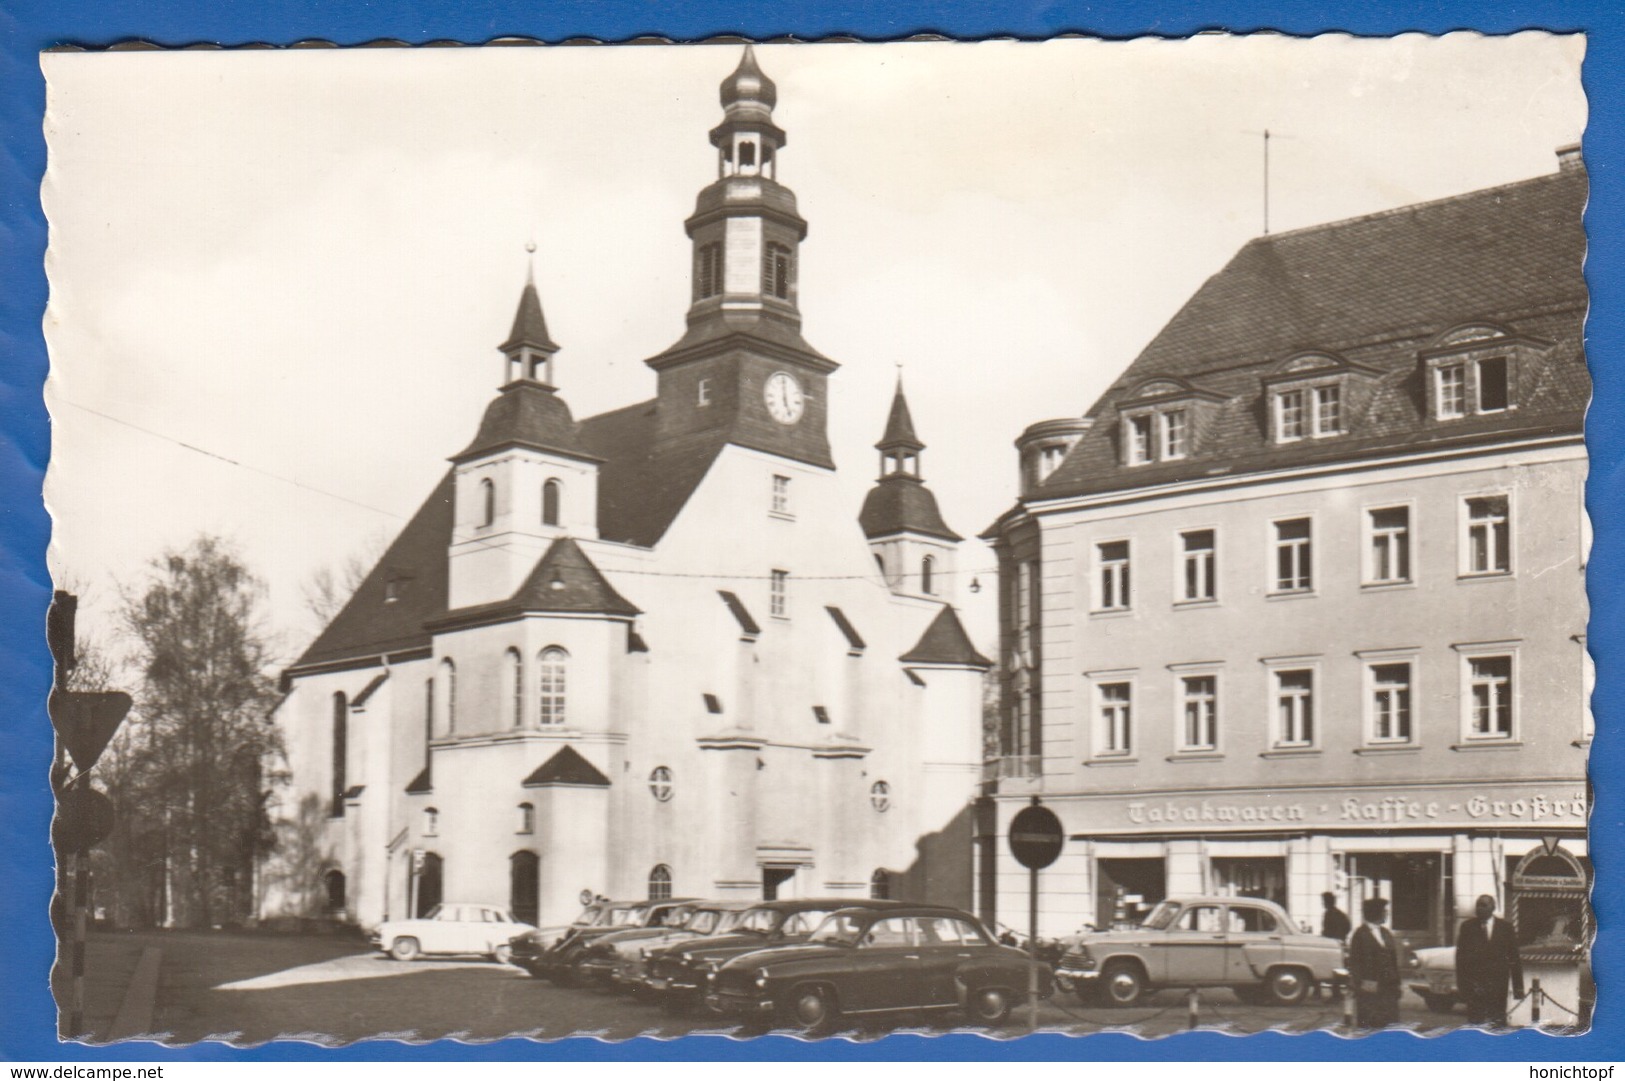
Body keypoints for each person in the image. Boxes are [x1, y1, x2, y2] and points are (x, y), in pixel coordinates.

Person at [1456, 894, 1524, 1027]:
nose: (1479, 908)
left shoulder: (1505, 928)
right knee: (1475, 1025)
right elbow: (1461, 959)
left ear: (1493, 907)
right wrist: (1463, 987)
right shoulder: (1467, 927)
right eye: (1478, 905)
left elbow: (1514, 957)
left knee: (1497, 1023)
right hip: (1475, 986)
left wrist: (1518, 988)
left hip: (1498, 986)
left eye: (1484, 905)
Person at [1346, 897, 1403, 1029]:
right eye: (1384, 911)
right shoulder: (1360, 935)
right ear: (1375, 913)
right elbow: (1355, 963)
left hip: (1389, 989)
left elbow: (1393, 960)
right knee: (1371, 1025)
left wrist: (1397, 983)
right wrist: (1361, 984)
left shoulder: (1386, 933)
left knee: (1390, 1026)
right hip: (1370, 990)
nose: (1386, 914)